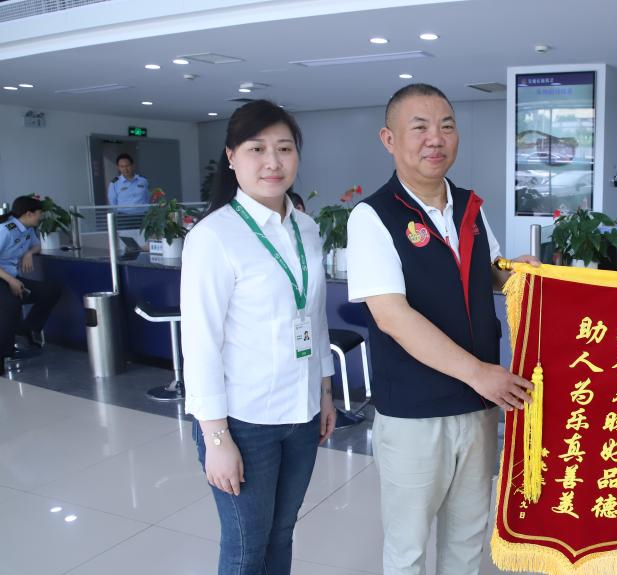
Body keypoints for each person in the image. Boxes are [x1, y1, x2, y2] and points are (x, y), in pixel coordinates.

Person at [347, 83, 536, 575]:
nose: (437, 138)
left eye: (447, 126)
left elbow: (491, 271)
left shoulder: (468, 206)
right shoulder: (373, 217)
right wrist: (481, 374)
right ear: (389, 140)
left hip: (477, 408)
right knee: (408, 548)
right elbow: (392, 315)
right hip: (415, 413)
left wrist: (524, 272)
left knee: (467, 541)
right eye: (420, 127)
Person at [180, 99, 336, 575]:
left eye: (284, 148)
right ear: (231, 157)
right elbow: (200, 343)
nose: (273, 162)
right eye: (257, 148)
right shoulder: (213, 236)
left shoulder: (306, 228)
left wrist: (325, 391)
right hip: (244, 422)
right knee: (246, 546)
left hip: (303, 411)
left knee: (282, 533)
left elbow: (313, 313)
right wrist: (216, 437)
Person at [0, 195, 61, 362]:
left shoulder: (28, 229)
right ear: (29, 214)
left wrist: (29, 253)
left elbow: (37, 244)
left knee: (50, 291)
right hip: (3, 278)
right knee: (11, 304)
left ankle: (26, 328)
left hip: (11, 277)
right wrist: (12, 281)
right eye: (39, 213)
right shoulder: (6, 230)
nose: (40, 216)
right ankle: (5, 352)